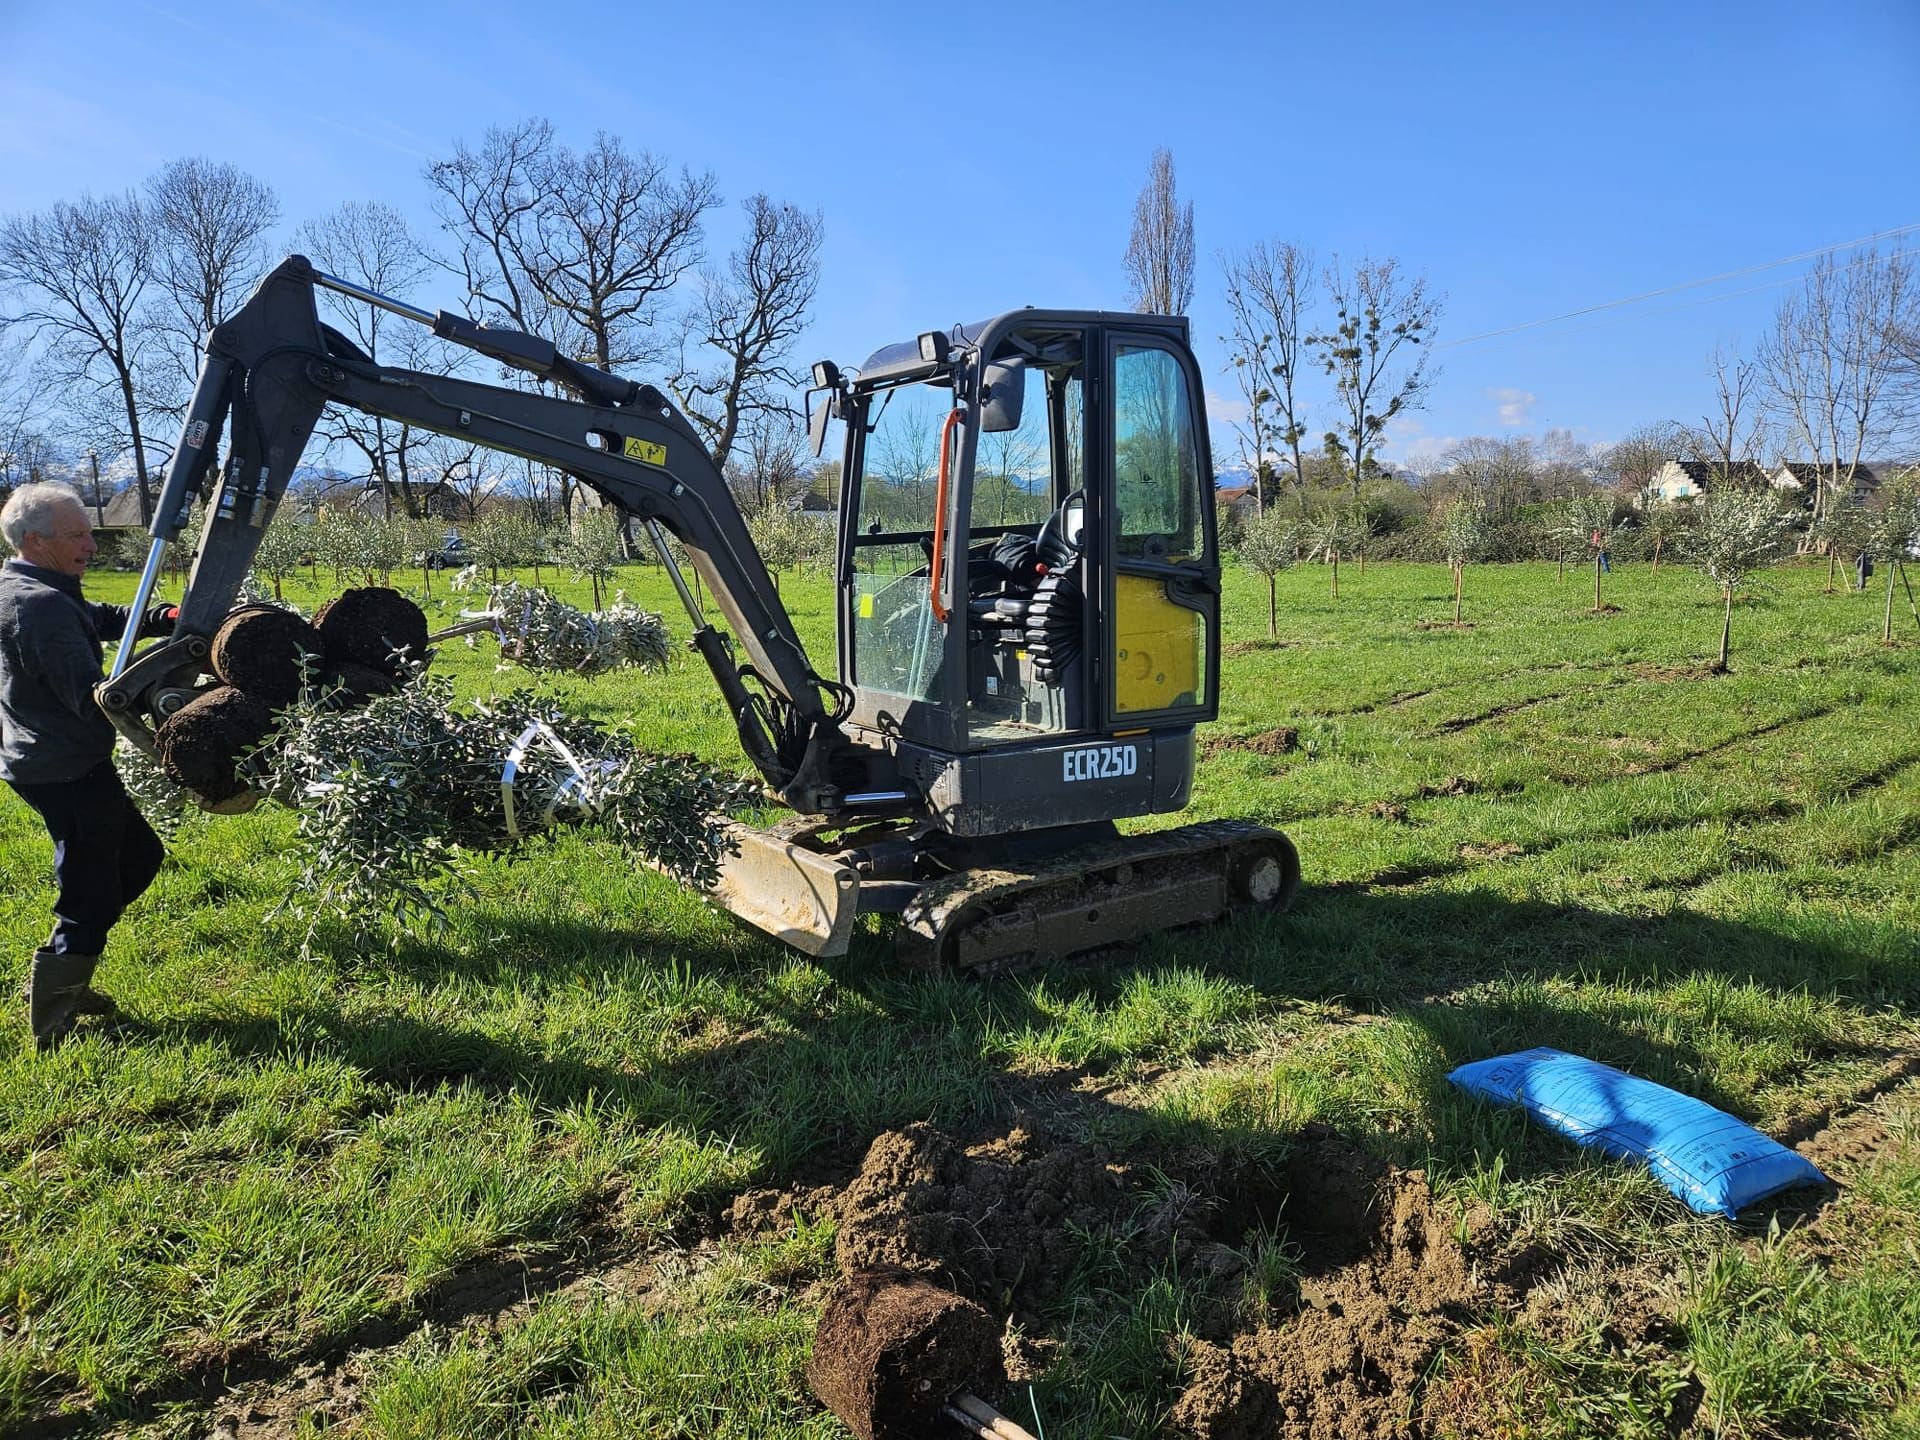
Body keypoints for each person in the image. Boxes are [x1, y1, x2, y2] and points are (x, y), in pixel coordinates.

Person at [1, 482, 174, 1049]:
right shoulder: (41, 605)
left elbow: (96, 617)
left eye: (89, 532)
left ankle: (64, 969)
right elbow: (92, 694)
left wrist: (160, 617)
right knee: (91, 887)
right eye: (76, 535)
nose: (91, 545)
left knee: (141, 856)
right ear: (34, 539)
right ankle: (52, 1017)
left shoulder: (35, 584)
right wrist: (174, 691)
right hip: (65, 766)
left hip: (49, 756)